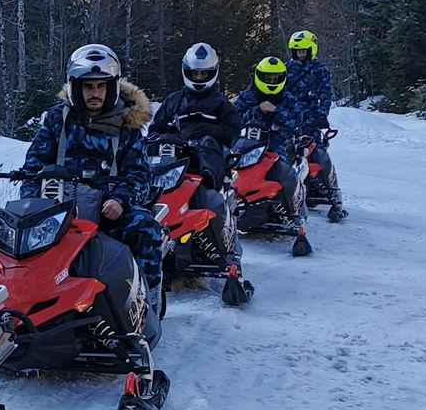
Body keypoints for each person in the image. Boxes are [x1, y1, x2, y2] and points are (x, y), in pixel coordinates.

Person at [20, 44, 162, 292]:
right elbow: (33, 168)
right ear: (75, 86)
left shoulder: (127, 124)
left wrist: (120, 199)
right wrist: (32, 205)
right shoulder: (58, 120)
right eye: (88, 86)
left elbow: (140, 175)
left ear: (112, 86)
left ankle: (146, 299)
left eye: (101, 86)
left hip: (109, 210)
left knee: (144, 227)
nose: (94, 93)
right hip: (60, 209)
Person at [149, 42, 241, 255]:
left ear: (213, 73)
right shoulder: (174, 101)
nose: (199, 79)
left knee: (210, 197)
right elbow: (155, 129)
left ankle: (227, 250)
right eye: (194, 74)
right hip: (173, 163)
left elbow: (234, 131)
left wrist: (208, 133)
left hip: (208, 162)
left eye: (203, 74)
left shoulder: (221, 103)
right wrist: (168, 137)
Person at [233, 57, 312, 257]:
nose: (272, 81)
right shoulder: (247, 96)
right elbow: (232, 119)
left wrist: (277, 112)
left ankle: (295, 212)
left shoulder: (288, 98)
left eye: (276, 77)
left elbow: (297, 121)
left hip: (278, 142)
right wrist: (257, 111)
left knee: (283, 170)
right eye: (268, 77)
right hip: (247, 142)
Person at [286, 29, 347, 222]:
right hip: (288, 120)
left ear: (311, 50)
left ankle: (335, 197)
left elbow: (325, 95)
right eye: (296, 51)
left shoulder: (320, 70)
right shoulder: (286, 69)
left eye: (303, 51)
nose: (299, 55)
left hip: (311, 121)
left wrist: (321, 115)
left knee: (319, 155)